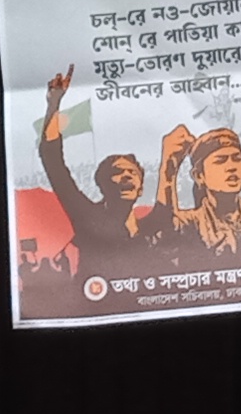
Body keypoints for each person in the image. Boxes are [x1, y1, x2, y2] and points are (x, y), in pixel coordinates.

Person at [37, 69, 156, 275]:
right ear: (102, 184)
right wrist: (54, 103)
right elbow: (52, 159)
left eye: (132, 172)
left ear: (141, 188)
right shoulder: (88, 216)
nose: (127, 176)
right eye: (118, 171)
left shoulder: (151, 229)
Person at [154, 122, 241, 275]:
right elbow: (164, 235)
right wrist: (168, 171)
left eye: (237, 158)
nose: (231, 167)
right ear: (199, 176)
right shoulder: (190, 223)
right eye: (220, 161)